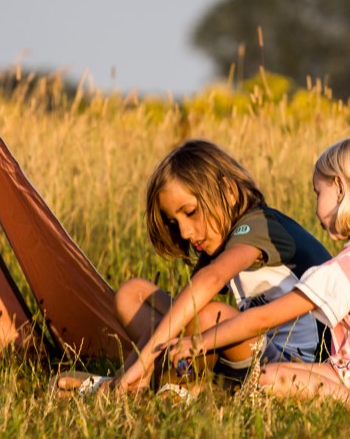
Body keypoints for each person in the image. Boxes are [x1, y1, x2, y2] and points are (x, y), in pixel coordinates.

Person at [59, 138, 331, 396]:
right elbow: (179, 321)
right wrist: (129, 371)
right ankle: (138, 384)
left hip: (298, 362)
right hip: (251, 350)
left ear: (228, 192)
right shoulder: (221, 240)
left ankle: (166, 385)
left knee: (207, 315)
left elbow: (211, 281)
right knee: (133, 294)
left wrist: (144, 360)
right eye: (175, 222)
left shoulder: (260, 226)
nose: (186, 232)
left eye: (190, 212)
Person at [166, 134, 350, 403]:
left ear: (340, 188)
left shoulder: (348, 267)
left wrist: (201, 342)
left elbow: (263, 318)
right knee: (270, 373)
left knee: (267, 380)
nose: (315, 207)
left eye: (317, 193)